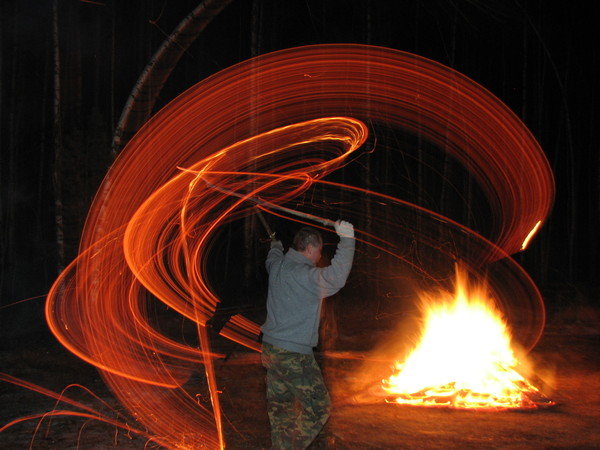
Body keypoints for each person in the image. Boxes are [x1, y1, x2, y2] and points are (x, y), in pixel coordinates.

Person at [261, 220, 355, 449]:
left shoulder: (277, 266)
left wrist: (275, 243)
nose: (319, 256)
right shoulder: (306, 276)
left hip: (270, 349)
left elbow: (272, 256)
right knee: (318, 407)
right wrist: (348, 240)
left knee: (281, 409)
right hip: (293, 354)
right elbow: (336, 277)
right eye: (320, 251)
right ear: (311, 249)